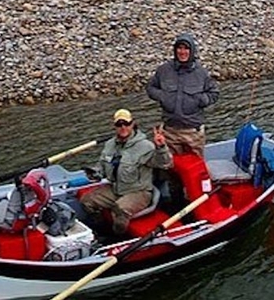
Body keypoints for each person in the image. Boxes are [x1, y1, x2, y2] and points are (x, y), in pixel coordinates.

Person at [78, 108, 172, 237]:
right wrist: (95, 173)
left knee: (120, 209)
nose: (123, 127)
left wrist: (161, 147)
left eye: (126, 124)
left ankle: (118, 237)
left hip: (140, 192)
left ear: (132, 124)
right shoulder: (109, 145)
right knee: (86, 201)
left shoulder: (145, 146)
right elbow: (102, 167)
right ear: (114, 126)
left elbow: (164, 164)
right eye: (119, 124)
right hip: (116, 189)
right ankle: (101, 231)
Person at [146, 33, 219, 155]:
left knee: (195, 169)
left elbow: (214, 93)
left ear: (192, 51)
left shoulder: (201, 73)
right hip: (170, 131)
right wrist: (162, 97)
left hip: (193, 132)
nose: (182, 52)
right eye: (179, 48)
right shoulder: (164, 70)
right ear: (175, 50)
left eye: (186, 48)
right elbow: (150, 87)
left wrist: (201, 100)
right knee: (171, 167)